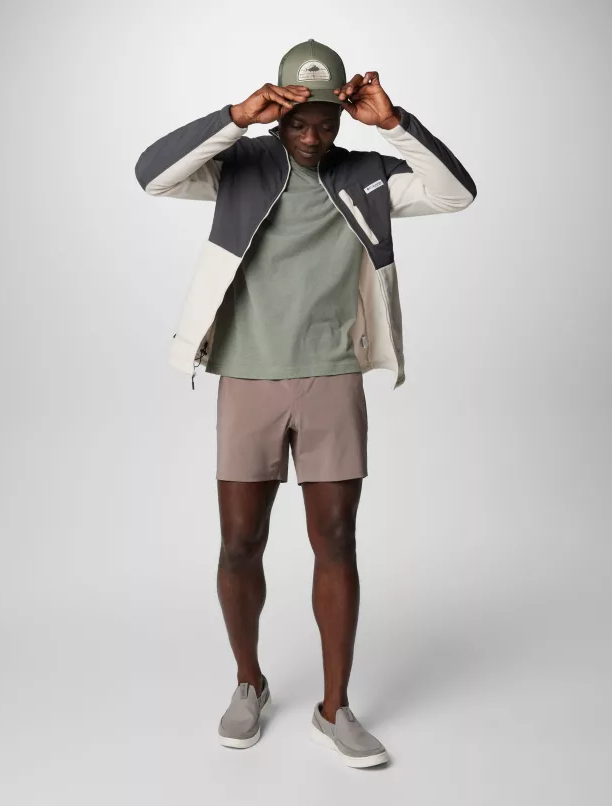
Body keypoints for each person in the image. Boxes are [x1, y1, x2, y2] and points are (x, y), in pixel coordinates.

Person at [135, 39, 476, 768]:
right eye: (299, 123)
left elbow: (456, 194)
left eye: (325, 123)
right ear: (280, 116)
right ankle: (248, 682)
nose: (314, 137)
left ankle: (335, 707)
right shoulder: (240, 167)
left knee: (337, 541)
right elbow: (152, 176)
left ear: (340, 117)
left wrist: (395, 124)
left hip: (332, 377)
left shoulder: (366, 175)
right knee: (239, 542)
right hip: (247, 375)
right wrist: (234, 116)